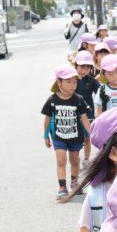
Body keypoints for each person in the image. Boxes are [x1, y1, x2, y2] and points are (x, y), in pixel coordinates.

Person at [41, 64, 92, 200]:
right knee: (61, 160)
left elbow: (84, 118)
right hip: (59, 137)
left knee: (75, 161)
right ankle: (62, 187)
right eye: (68, 82)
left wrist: (91, 133)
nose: (72, 85)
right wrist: (46, 135)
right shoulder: (52, 100)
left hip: (75, 137)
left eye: (75, 82)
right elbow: (47, 118)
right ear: (59, 82)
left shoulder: (78, 100)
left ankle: (74, 182)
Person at [73, 51, 99, 157]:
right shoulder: (70, 79)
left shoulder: (91, 80)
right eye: (82, 67)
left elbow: (100, 93)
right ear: (76, 65)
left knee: (87, 138)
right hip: (73, 113)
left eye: (88, 68)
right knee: (75, 139)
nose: (85, 70)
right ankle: (75, 157)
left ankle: (86, 159)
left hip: (88, 113)